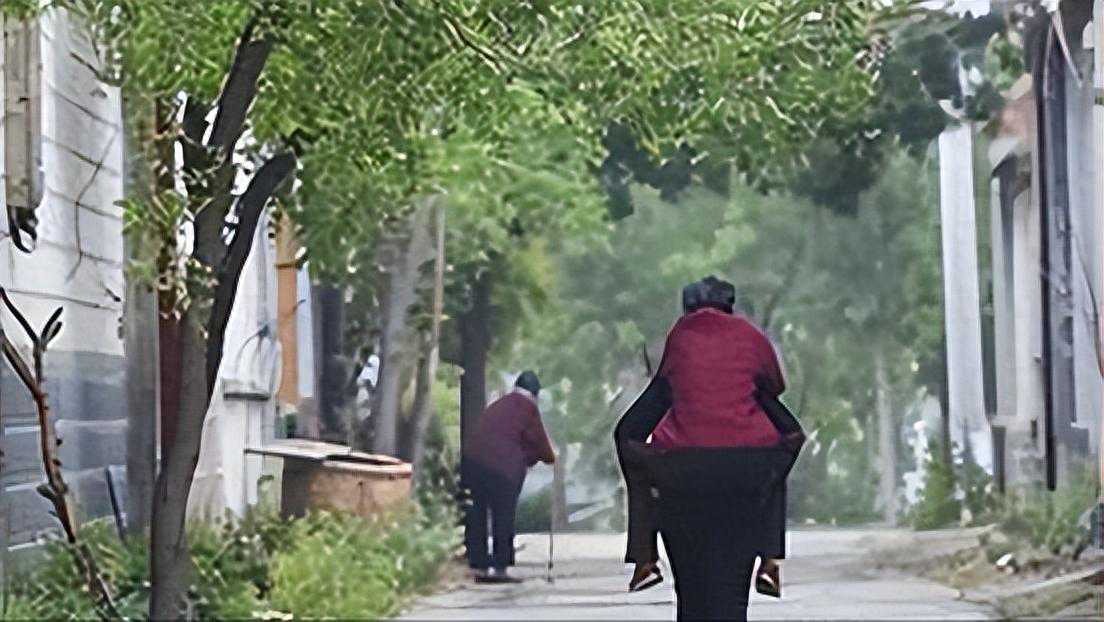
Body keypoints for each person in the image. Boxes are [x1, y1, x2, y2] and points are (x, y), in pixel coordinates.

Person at [614, 276, 804, 620]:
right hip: (745, 475)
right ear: (729, 305)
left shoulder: (680, 335)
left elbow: (646, 411)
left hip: (682, 475)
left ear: (687, 307)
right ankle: (770, 559)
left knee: (691, 597)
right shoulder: (751, 335)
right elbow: (776, 386)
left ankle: (644, 556)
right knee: (783, 448)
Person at [463, 371, 556, 583]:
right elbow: (540, 443)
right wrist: (550, 457)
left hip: (473, 463)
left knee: (477, 513)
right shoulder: (528, 407)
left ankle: (478, 564)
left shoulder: (498, 404)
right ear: (535, 393)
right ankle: (500, 567)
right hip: (502, 469)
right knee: (503, 515)